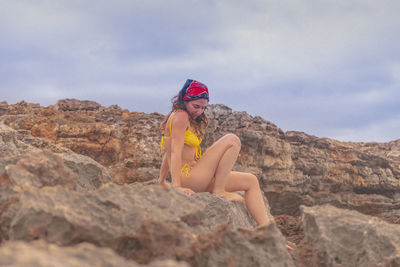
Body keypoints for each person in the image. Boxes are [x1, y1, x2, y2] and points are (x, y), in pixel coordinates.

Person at [158, 79, 271, 226]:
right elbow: (174, 152)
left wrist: (161, 181)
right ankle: (219, 189)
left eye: (203, 108)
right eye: (196, 106)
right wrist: (177, 186)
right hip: (189, 176)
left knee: (250, 180)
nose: (199, 112)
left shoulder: (182, 117)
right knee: (232, 140)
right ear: (184, 100)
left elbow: (167, 152)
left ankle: (268, 230)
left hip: (197, 176)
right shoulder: (181, 117)